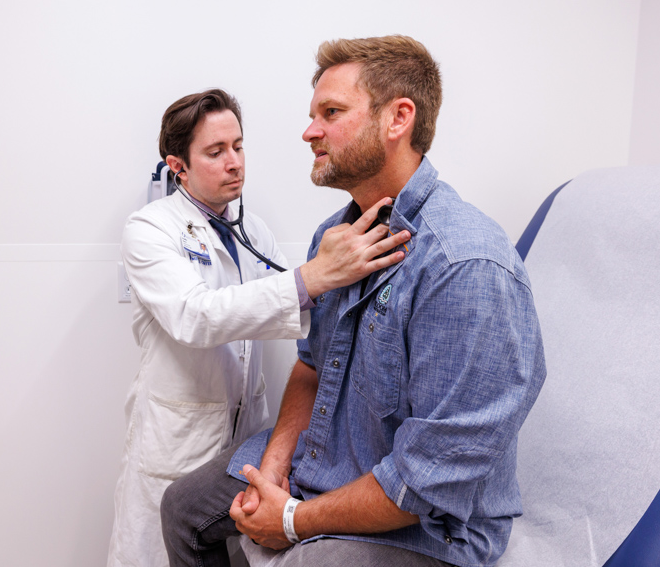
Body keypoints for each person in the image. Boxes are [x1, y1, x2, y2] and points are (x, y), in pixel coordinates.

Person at [159, 37, 547, 567]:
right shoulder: (336, 236)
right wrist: (275, 465)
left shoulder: (465, 266)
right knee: (182, 507)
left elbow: (427, 479)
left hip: (431, 524)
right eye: (312, 114)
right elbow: (312, 366)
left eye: (331, 113)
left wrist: (292, 519)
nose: (308, 131)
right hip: (333, 459)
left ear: (397, 119)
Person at [108, 89, 410, 567]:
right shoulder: (149, 229)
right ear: (177, 166)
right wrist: (314, 275)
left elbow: (298, 313)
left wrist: (343, 279)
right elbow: (196, 316)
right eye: (215, 152)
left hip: (246, 433)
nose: (235, 163)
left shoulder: (255, 231)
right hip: (177, 440)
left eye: (239, 146)